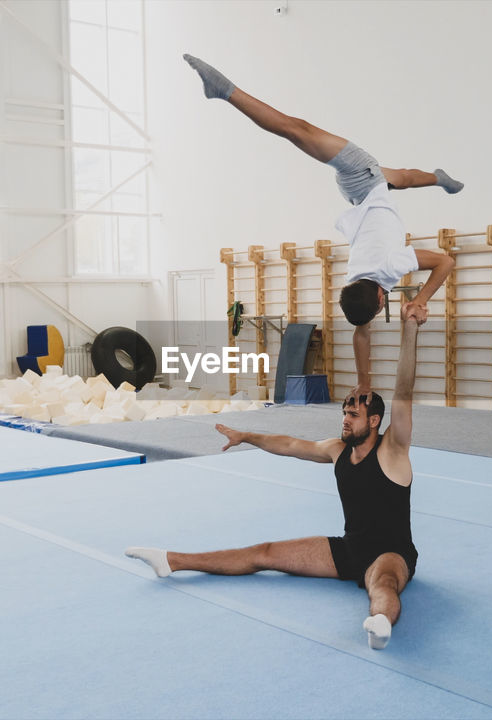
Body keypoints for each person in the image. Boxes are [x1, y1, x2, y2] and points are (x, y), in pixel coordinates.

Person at [126, 302, 425, 650]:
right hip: (348, 550)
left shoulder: (393, 450)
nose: (345, 419)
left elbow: (403, 393)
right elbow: (288, 444)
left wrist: (409, 330)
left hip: (391, 553)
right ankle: (171, 561)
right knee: (264, 553)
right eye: (344, 412)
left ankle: (381, 624)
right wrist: (246, 436)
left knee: (383, 583)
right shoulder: (337, 450)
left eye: (353, 415)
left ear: (374, 421)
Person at [182, 54, 457, 400]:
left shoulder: (390, 267)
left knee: (296, 130)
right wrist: (364, 382)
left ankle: (224, 90)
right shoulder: (357, 277)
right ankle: (439, 178)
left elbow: (446, 262)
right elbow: (360, 334)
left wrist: (420, 300)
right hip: (360, 196)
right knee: (400, 178)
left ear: (376, 296)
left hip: (362, 179)